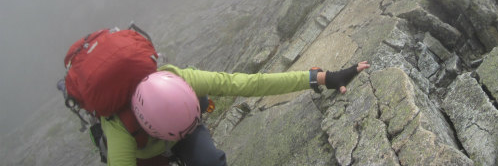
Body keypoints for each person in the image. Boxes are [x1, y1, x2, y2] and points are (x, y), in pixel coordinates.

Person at [103, 61, 370, 165]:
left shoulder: (180, 78)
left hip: (182, 122)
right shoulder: (120, 135)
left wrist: (324, 78)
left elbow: (251, 84)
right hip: (146, 154)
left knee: (211, 162)